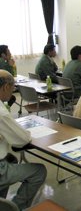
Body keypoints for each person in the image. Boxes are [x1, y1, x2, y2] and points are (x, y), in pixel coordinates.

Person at [0, 70, 47, 210]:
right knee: (39, 171)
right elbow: (22, 139)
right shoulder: (1, 113)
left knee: (12, 159)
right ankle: (15, 208)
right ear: (6, 86)